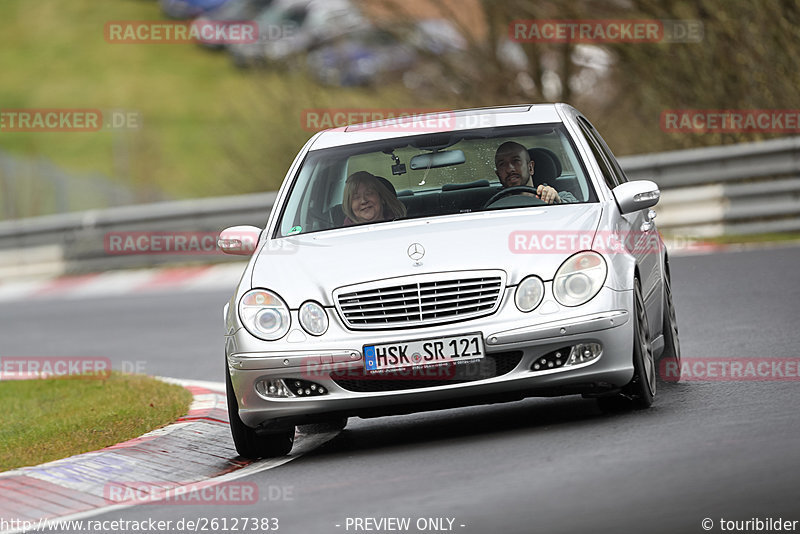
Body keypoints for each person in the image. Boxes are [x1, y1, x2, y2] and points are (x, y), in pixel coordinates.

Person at [494, 141, 577, 204]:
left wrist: (556, 200)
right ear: (498, 175)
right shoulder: (491, 208)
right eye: (502, 164)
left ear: (530, 168)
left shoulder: (561, 196)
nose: (509, 169)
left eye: (516, 161)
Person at [342, 171, 407, 225]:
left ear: (382, 198)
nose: (363, 201)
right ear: (349, 205)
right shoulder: (342, 236)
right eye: (356, 197)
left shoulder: (402, 224)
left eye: (369, 193)